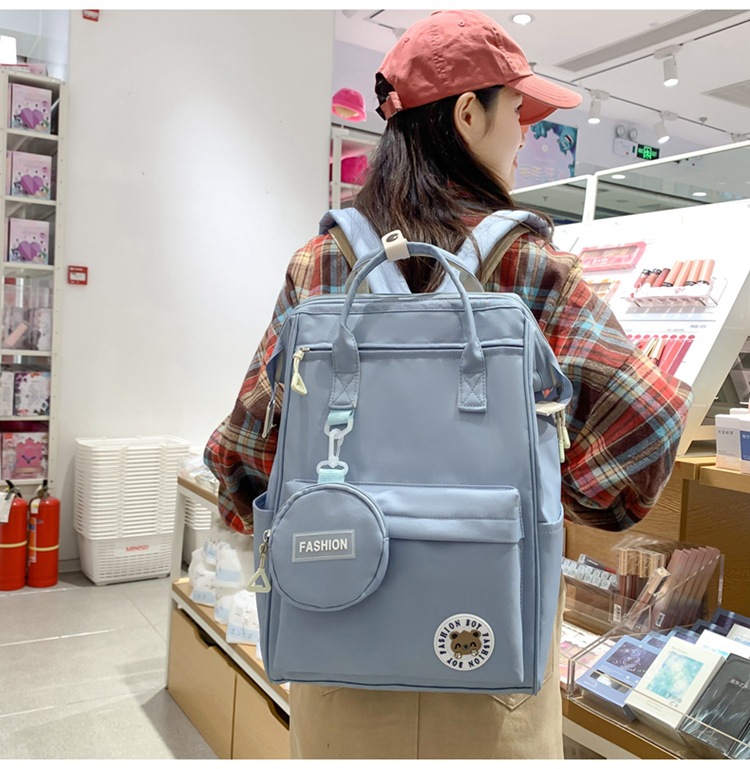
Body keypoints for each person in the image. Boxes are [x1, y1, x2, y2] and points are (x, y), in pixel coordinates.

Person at [204, 9, 693, 759]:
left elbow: (241, 455)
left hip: (339, 653)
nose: (523, 136)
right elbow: (649, 424)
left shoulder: (323, 263)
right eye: (517, 111)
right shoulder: (531, 268)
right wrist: (542, 490)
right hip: (491, 675)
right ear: (468, 114)